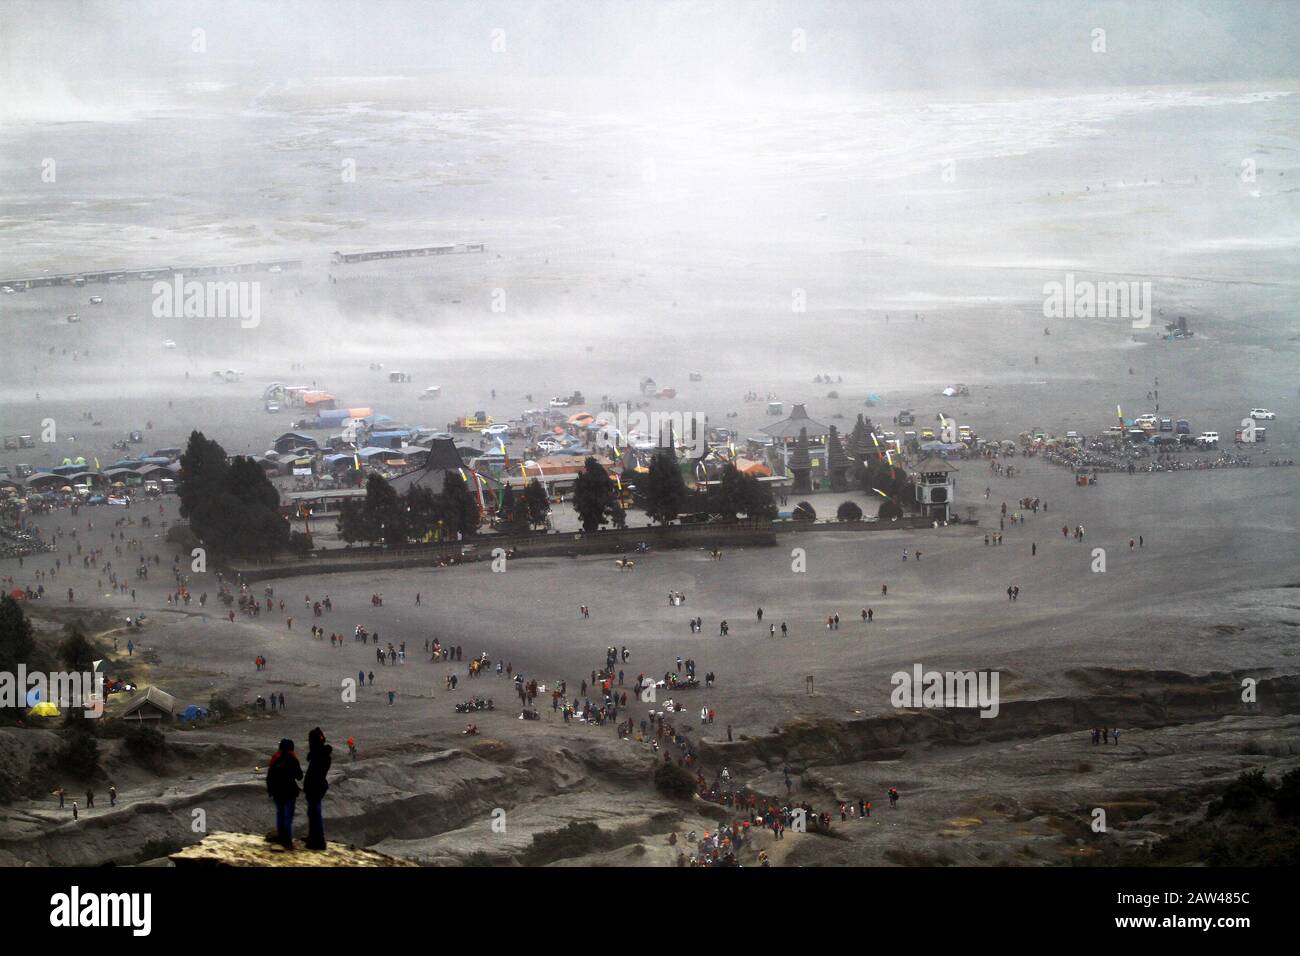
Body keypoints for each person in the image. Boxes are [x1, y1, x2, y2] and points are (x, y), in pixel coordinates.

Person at [266, 737, 303, 848]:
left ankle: (281, 839)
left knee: (280, 815)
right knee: (288, 818)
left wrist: (270, 790)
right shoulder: (293, 759)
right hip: (289, 792)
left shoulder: (275, 759)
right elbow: (300, 776)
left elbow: (269, 777)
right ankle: (287, 842)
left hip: (277, 792)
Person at [303, 727, 332, 850]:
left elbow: (315, 774)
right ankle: (313, 838)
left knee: (315, 814)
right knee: (313, 813)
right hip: (316, 787)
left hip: (315, 788)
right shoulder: (321, 754)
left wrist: (309, 786)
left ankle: (318, 841)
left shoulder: (319, 755)